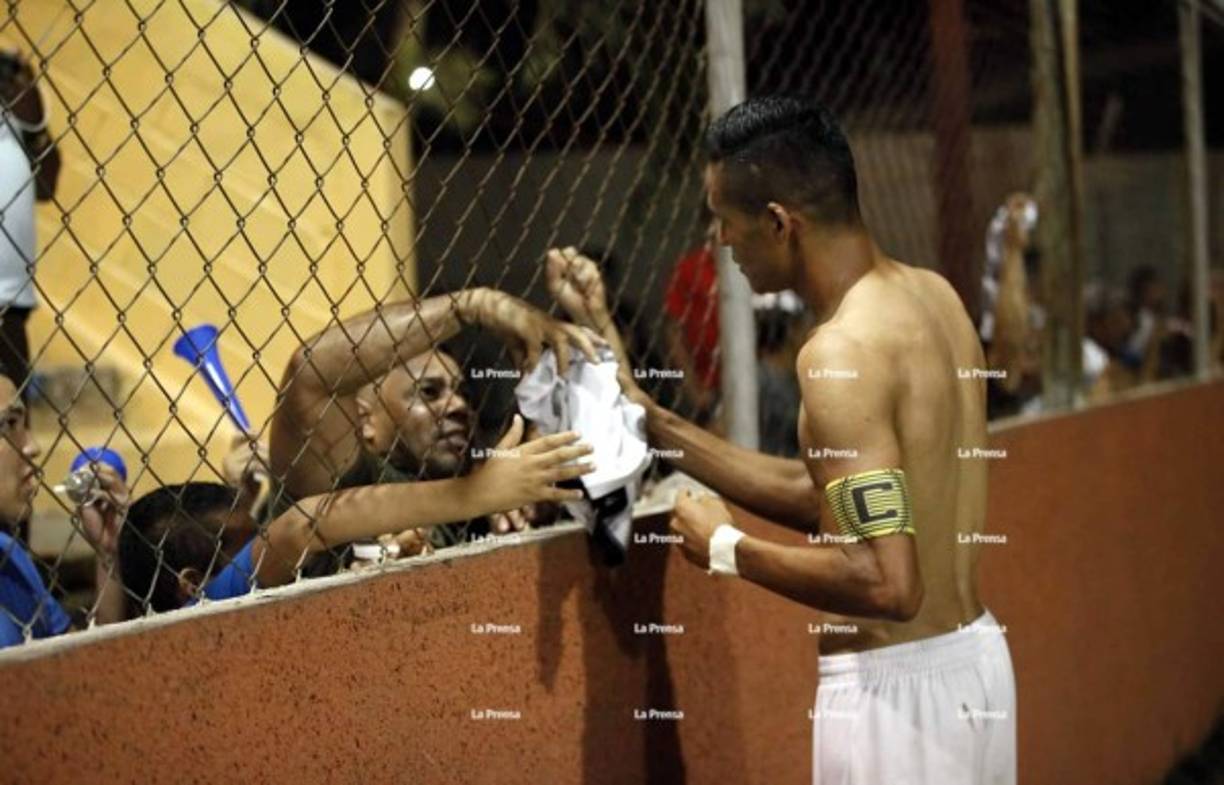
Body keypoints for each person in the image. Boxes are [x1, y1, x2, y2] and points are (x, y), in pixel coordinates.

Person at [550, 96, 1015, 784]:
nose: (719, 242)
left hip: (899, 701)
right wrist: (650, 417)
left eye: (724, 221)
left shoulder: (837, 355)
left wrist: (727, 549)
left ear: (778, 222)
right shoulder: (933, 298)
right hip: (974, 665)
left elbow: (888, 581)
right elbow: (824, 492)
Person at [119, 414, 593, 612]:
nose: (263, 542)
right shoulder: (208, 604)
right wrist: (473, 494)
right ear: (191, 582)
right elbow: (301, 526)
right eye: (249, 540)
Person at [0, 365, 126, 647]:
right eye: (6, 425)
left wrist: (107, 554)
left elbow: (94, 669)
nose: (32, 446)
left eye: (23, 423)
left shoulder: (10, 558)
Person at [0, 49, 60, 393]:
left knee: (16, 432)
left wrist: (35, 122)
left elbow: (47, 186)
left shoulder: (14, 120)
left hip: (11, 307)